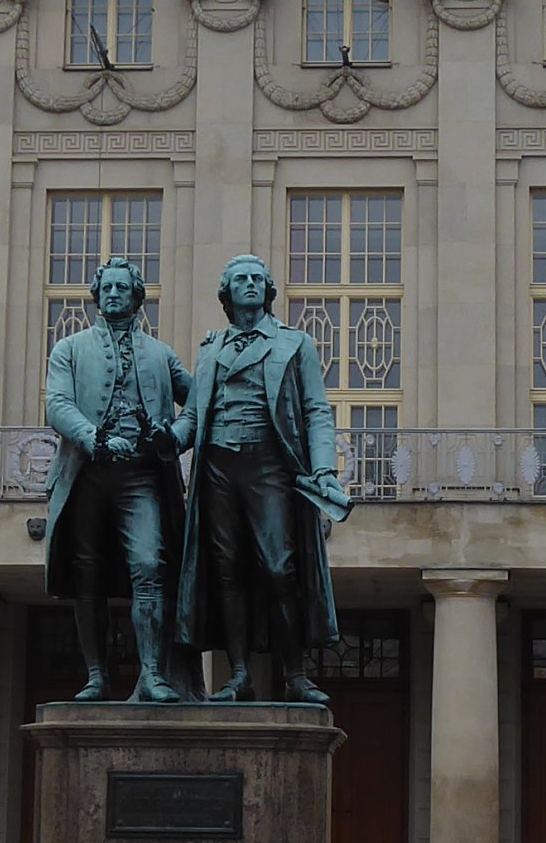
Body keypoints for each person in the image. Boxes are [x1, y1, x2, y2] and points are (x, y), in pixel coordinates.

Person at [175, 253, 349, 703]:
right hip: (217, 465)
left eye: (257, 278)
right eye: (240, 279)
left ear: (268, 290)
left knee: (278, 567)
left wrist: (325, 468)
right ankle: (237, 675)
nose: (249, 284)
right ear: (227, 293)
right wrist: (160, 443)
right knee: (227, 570)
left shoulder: (294, 343)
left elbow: (316, 411)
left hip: (268, 464)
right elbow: (192, 416)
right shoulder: (211, 349)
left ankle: (294, 674)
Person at [41, 257, 191, 703]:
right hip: (87, 474)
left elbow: (200, 400)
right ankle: (96, 675)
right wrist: (93, 437)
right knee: (87, 573)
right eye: (106, 288)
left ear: (138, 298)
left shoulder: (161, 354)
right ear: (96, 295)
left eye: (122, 289)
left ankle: (152, 675)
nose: (112, 295)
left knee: (149, 565)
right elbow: (58, 405)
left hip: (142, 475)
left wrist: (175, 436)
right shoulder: (69, 349)